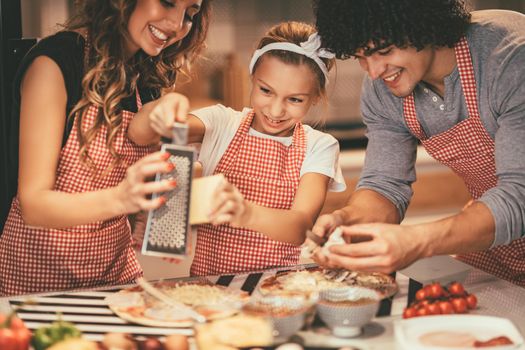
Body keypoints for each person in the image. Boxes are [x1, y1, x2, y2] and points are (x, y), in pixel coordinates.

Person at [0, 0, 211, 296]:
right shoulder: (54, 64)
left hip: (115, 276)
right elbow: (34, 205)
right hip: (39, 279)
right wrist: (122, 198)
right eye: (167, 2)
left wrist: (167, 209)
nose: (177, 25)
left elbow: (136, 150)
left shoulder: (144, 78)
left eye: (190, 14)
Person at [311, 0, 525, 286]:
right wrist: (348, 221)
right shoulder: (382, 91)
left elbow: (520, 195)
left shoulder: (509, 58)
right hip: (497, 237)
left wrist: (418, 240)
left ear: (423, 24)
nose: (373, 72)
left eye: (384, 51)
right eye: (361, 56)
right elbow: (384, 186)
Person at [130, 21, 346, 276]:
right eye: (266, 91)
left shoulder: (320, 146)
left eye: (295, 99)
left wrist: (245, 213)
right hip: (208, 291)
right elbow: (141, 133)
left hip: (278, 291)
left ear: (316, 97)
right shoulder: (222, 124)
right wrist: (164, 107)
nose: (276, 110)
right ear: (252, 79)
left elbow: (299, 227)